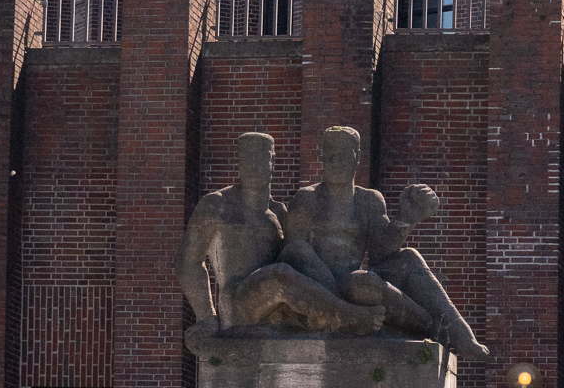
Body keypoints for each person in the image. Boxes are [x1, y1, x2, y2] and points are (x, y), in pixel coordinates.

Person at [280, 126, 489, 361]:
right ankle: (434, 329)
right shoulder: (307, 198)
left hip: (354, 281)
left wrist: (406, 219)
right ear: (322, 157)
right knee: (363, 283)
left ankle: (456, 331)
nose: (334, 161)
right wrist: (333, 295)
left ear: (356, 157)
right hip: (321, 287)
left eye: (343, 155)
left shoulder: (369, 200)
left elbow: (382, 253)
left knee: (407, 257)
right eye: (329, 154)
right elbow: (295, 254)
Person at [176, 132, 384, 354]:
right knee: (279, 274)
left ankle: (345, 307)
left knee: (297, 252)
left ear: (272, 162)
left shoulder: (279, 212)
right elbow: (188, 262)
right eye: (247, 159)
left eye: (261, 158)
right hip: (240, 304)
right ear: (238, 162)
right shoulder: (218, 205)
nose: (253, 165)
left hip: (278, 308)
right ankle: (345, 315)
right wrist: (206, 317)